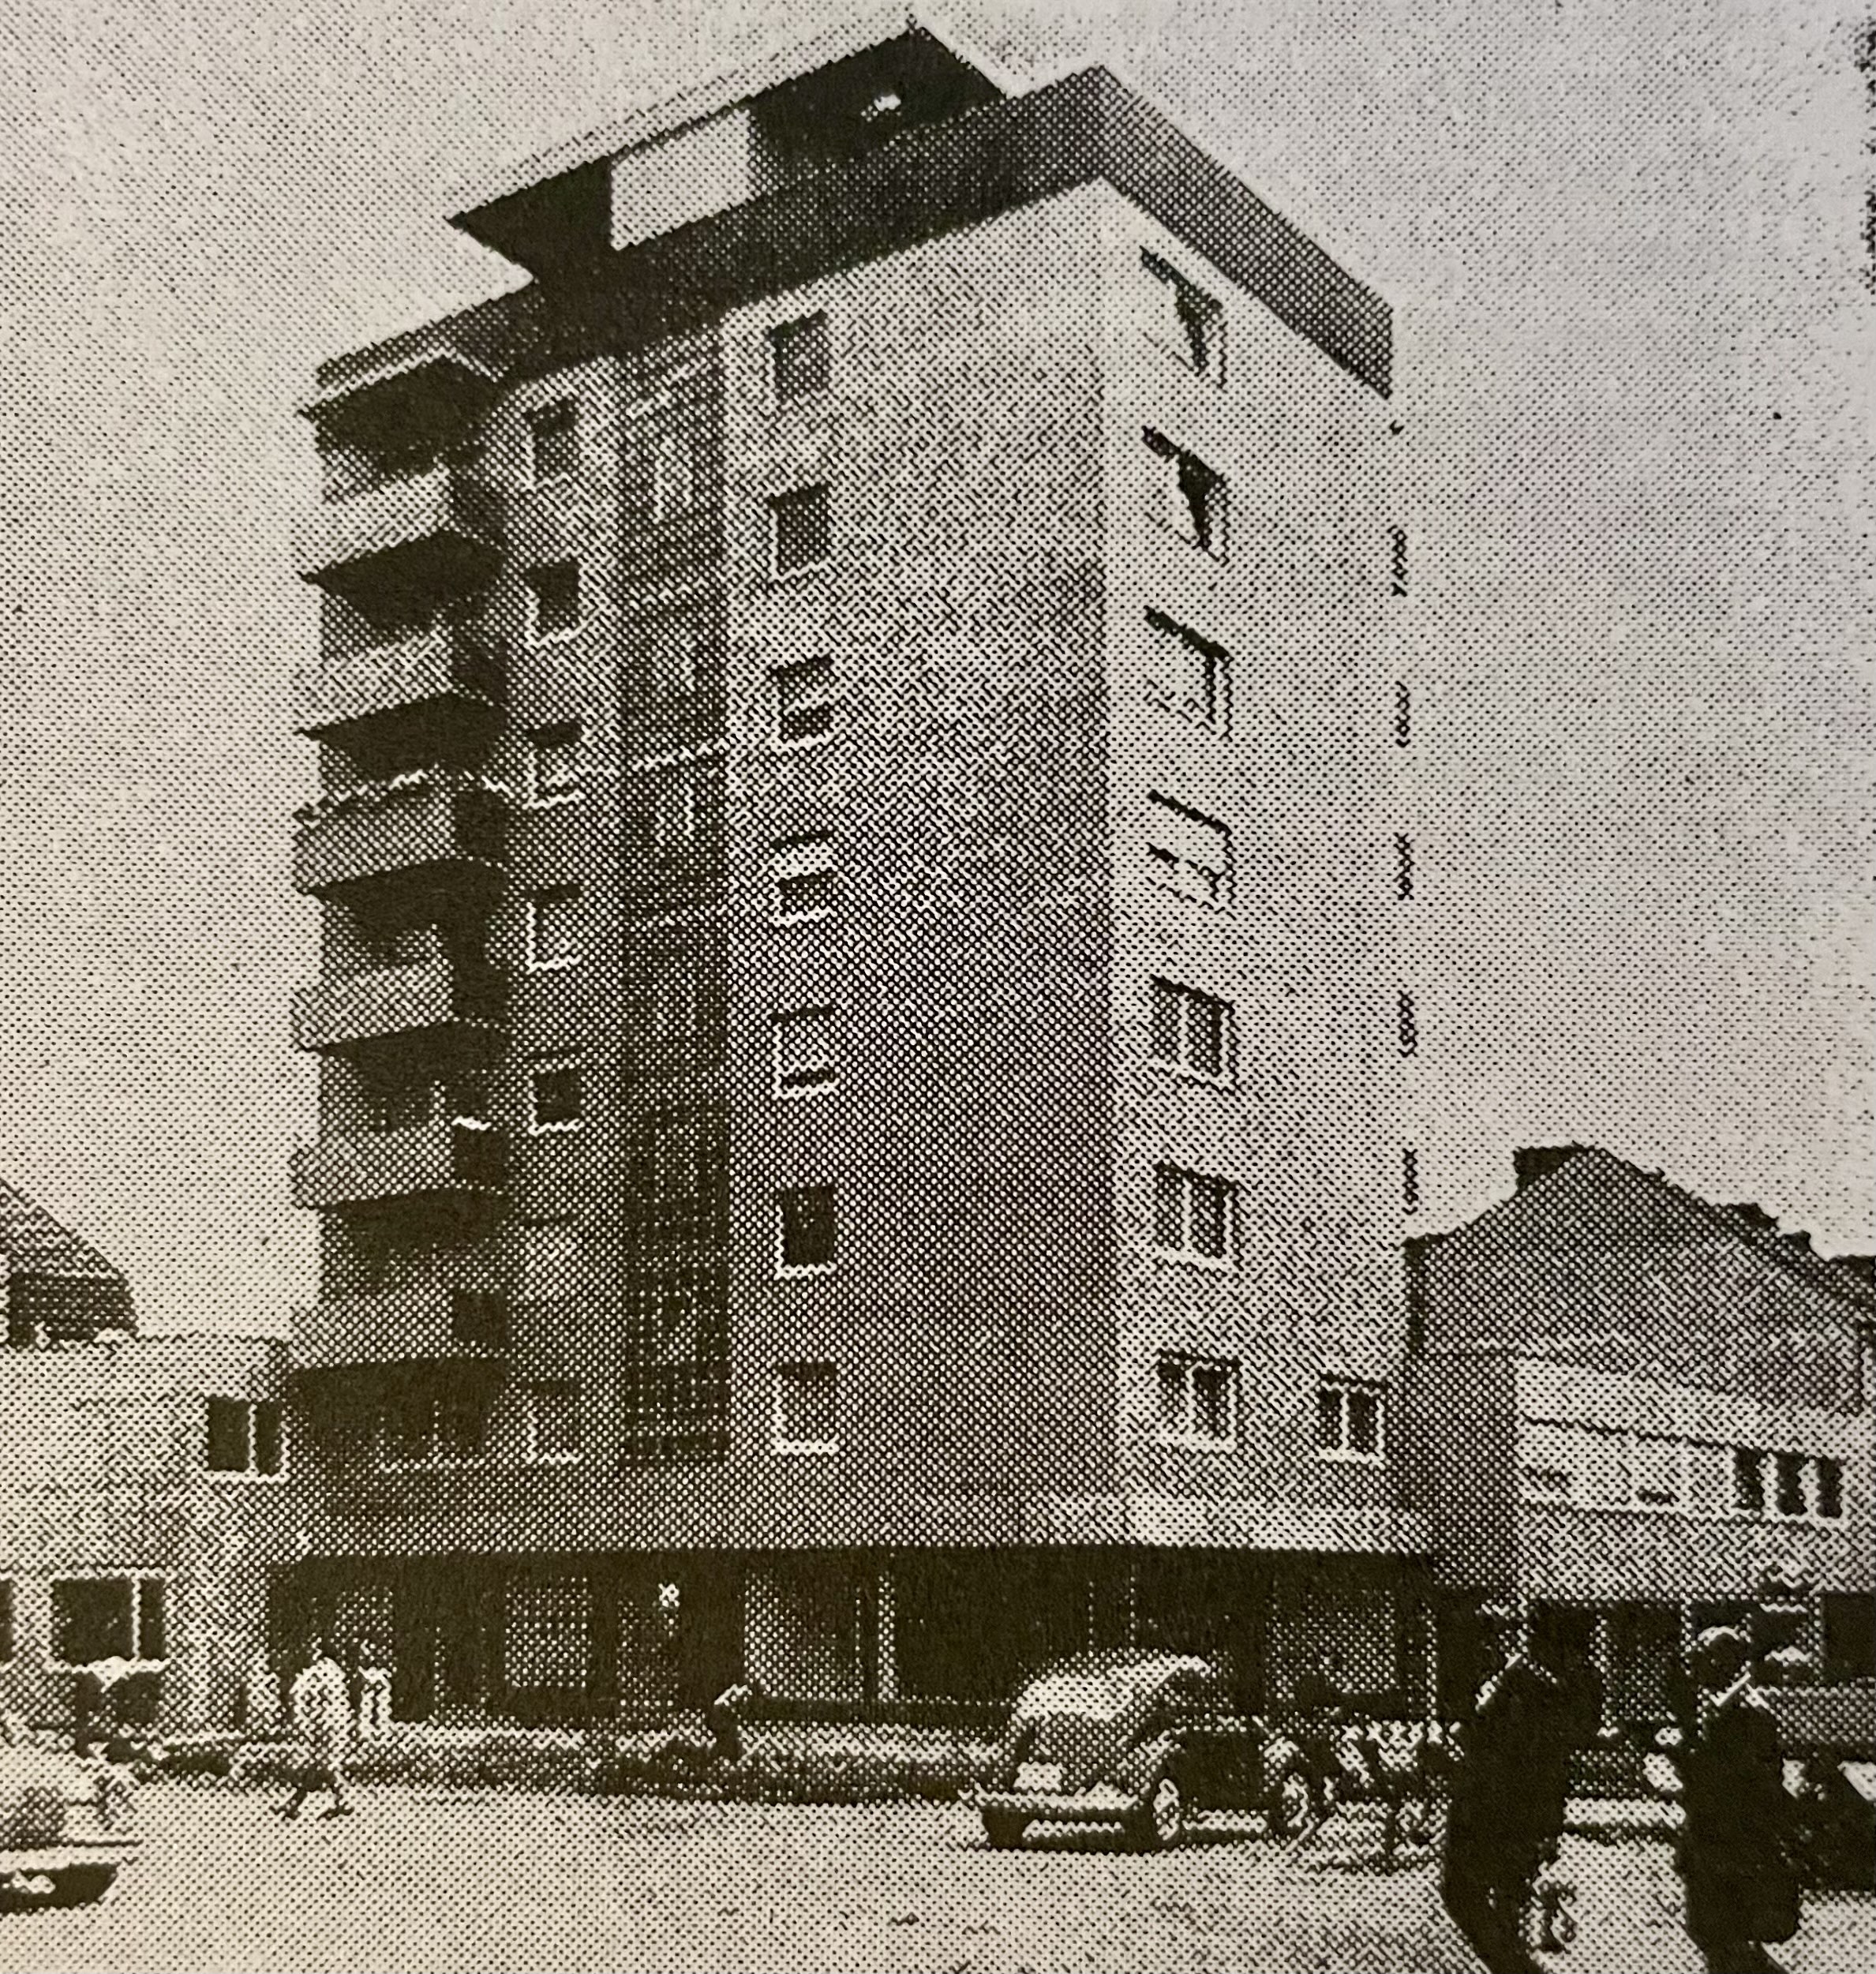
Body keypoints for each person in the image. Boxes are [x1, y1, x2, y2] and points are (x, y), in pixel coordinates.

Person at [1440, 1619, 1603, 1974]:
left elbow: (1538, 1759)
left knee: (1479, 1895)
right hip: (1493, 1807)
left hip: (1498, 1810)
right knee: (1496, 1900)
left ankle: (1515, 1967)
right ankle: (1514, 1966)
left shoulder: (1527, 1689)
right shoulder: (1516, 1683)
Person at [1675, 1627, 1800, 1974]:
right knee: (1710, 1928)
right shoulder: (1711, 1710)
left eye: (1706, 1661)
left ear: (1725, 1664)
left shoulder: (1750, 1712)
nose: (1698, 1670)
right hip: (1708, 1831)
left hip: (1735, 1833)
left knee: (1729, 1928)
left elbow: (1754, 1775)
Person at [278, 1639, 354, 1819]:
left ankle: (344, 1800)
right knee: (314, 1767)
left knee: (325, 1766)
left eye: (310, 1649)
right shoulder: (318, 1671)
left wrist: (313, 1724)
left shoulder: (322, 1673)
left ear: (318, 1651)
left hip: (326, 1726)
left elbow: (320, 1701)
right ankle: (294, 1804)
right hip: (324, 1726)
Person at [1291, 1651, 1350, 1822]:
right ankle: (1319, 1806)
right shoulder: (1313, 1684)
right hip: (1312, 1739)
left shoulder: (1326, 1684)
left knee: (1325, 1772)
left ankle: (1322, 1806)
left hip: (1319, 1739)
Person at [355, 1636, 393, 1739]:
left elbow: (386, 1685)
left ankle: (382, 1730)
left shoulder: (378, 1672)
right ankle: (366, 1732)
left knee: (381, 1710)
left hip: (380, 1695)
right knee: (367, 1709)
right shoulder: (363, 1671)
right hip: (368, 1696)